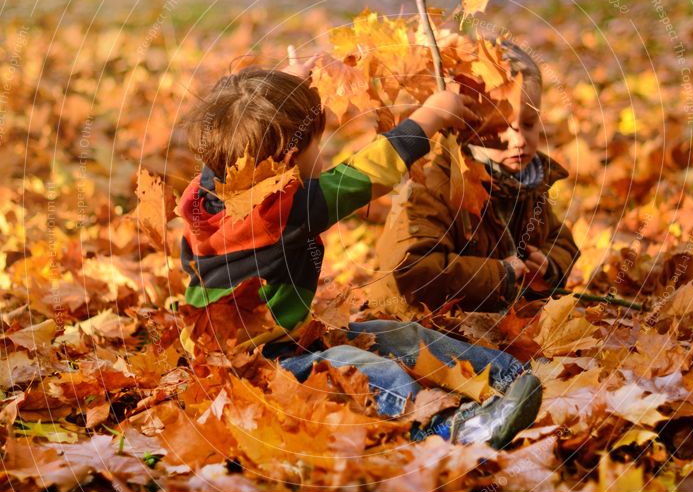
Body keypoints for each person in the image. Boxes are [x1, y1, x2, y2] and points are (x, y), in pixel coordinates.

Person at [175, 54, 542, 450]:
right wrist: (430, 117)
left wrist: (282, 92)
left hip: (289, 338)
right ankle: (448, 428)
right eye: (316, 146)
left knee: (395, 334)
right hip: (260, 366)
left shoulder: (205, 192)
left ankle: (514, 377)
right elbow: (369, 171)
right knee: (367, 369)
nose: (324, 156)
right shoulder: (284, 211)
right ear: (285, 162)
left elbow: (240, 139)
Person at [372, 39, 581, 314]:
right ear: (467, 123)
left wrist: (550, 263)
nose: (518, 140)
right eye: (501, 127)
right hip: (421, 324)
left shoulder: (527, 182)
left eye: (528, 124)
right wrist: (499, 275)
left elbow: (559, 237)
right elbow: (413, 270)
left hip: (492, 320)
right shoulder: (436, 183)